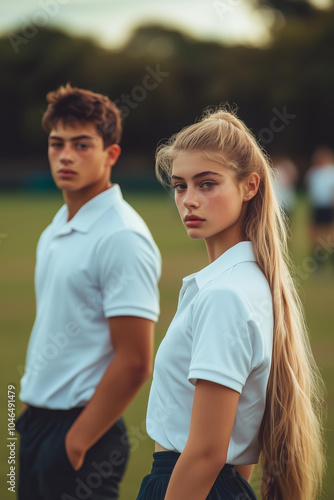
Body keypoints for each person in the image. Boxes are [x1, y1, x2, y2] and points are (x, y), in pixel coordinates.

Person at [136, 108, 326, 500]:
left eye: (207, 184)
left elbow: (206, 454)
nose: (189, 200)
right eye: (180, 186)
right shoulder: (250, 282)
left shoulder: (225, 294)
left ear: (250, 186)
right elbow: (235, 450)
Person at [16, 84, 161, 500]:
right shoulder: (56, 226)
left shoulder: (122, 236)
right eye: (56, 143)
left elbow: (135, 361)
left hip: (82, 434)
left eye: (82, 144)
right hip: (37, 422)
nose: (65, 155)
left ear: (110, 154)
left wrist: (76, 443)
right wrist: (31, 407)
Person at [306, 146, 334, 272]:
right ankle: (318, 264)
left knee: (330, 236)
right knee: (316, 237)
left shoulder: (331, 172)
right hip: (317, 207)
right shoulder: (313, 173)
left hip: (329, 207)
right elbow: (311, 192)